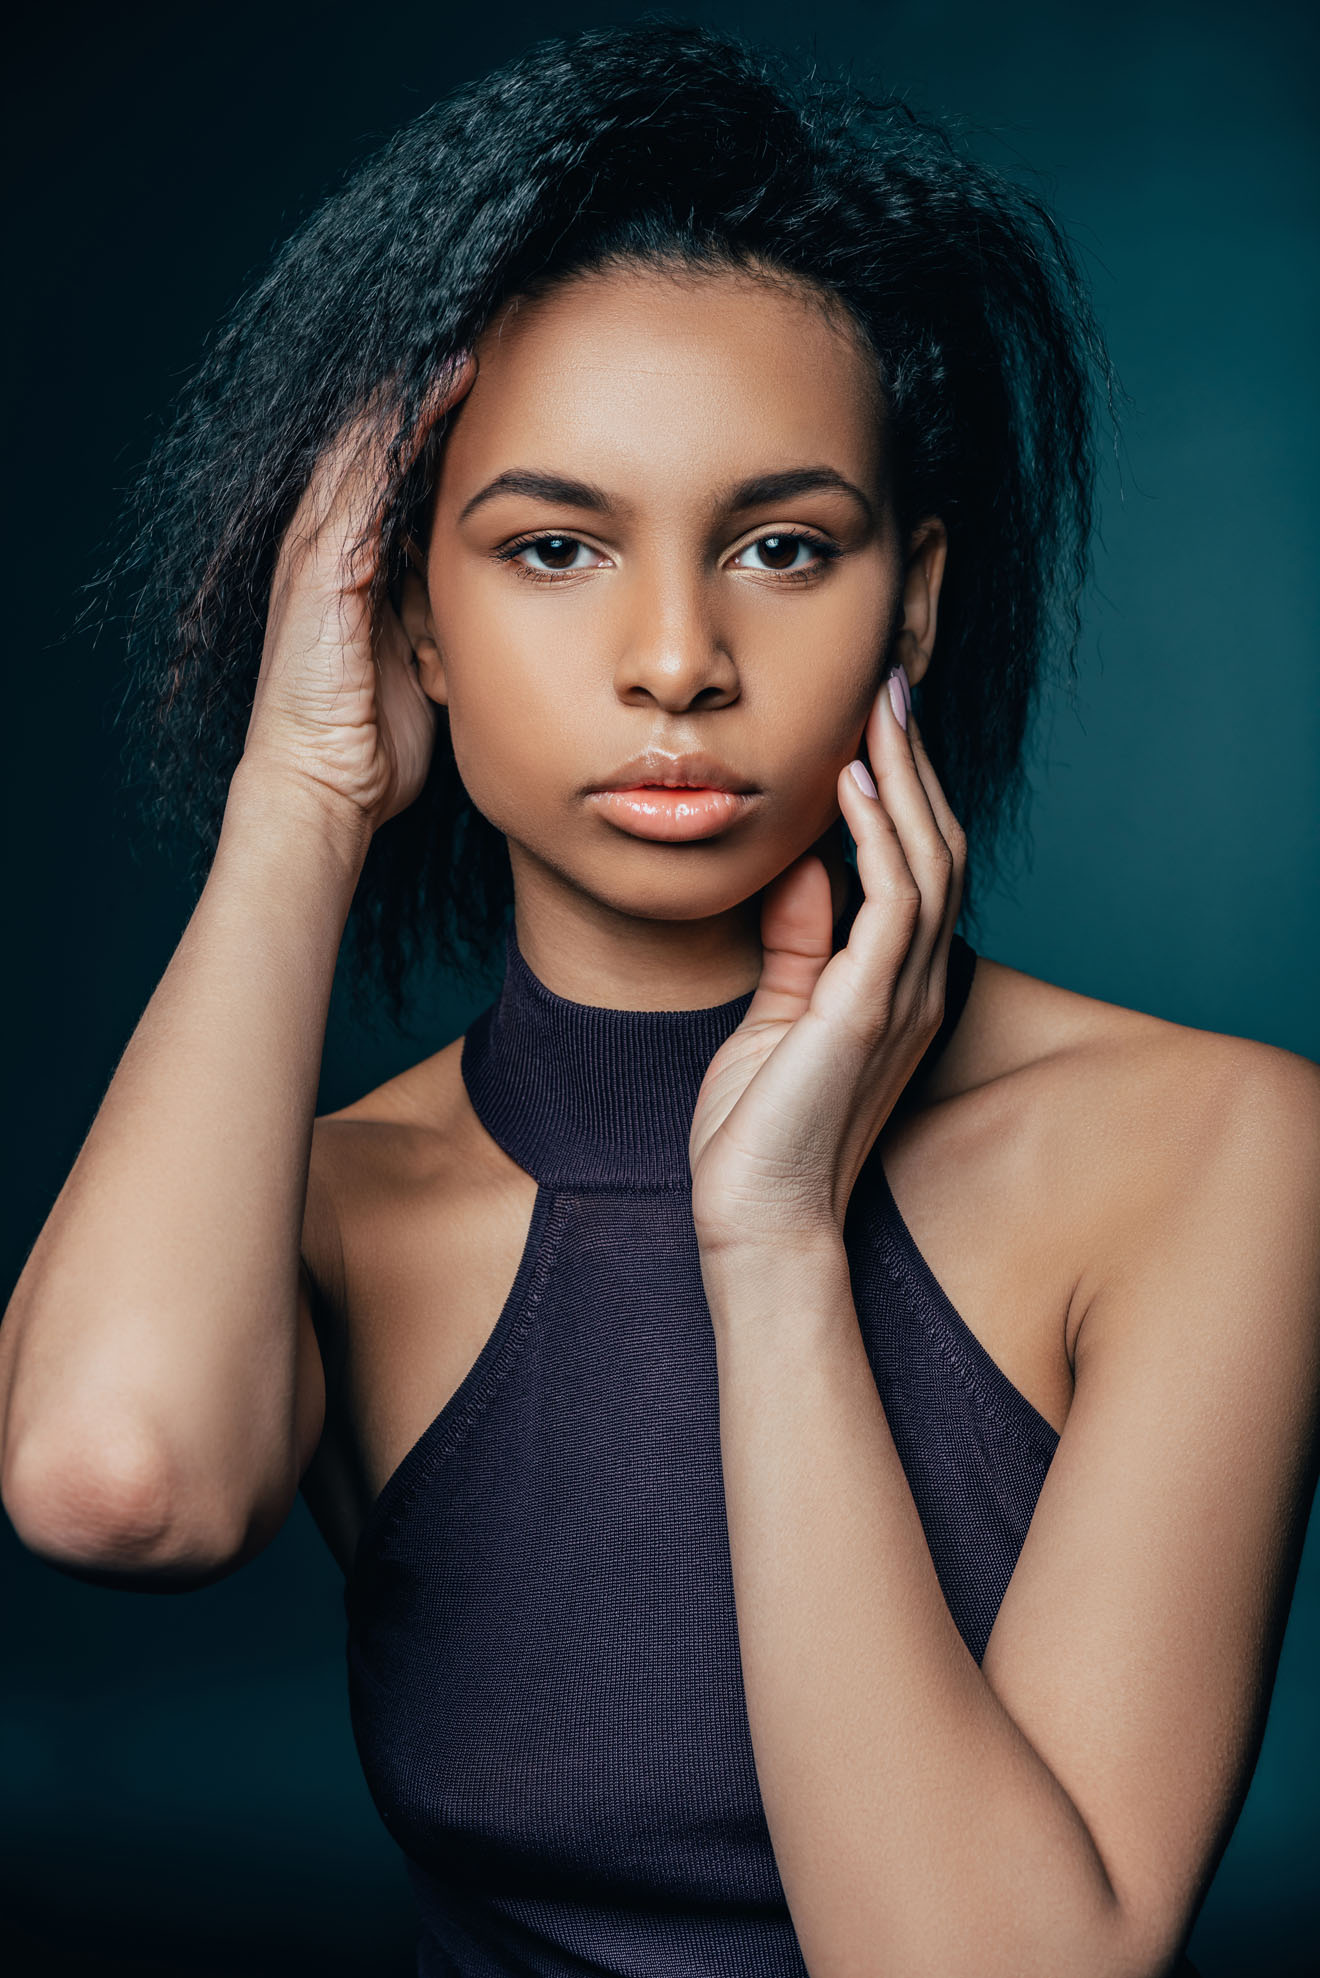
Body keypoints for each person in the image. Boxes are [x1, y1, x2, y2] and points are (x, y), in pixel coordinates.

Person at [2, 17, 1317, 1977]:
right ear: (407, 614)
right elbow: (114, 1480)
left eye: (783, 545)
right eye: (555, 547)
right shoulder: (342, 1198)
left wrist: (771, 1236)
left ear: (920, 596)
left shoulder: (1220, 1146)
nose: (679, 656)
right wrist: (300, 795)